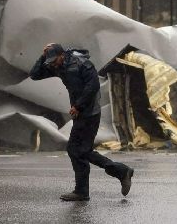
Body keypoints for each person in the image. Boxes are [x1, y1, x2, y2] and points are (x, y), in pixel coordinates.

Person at [30, 43, 134, 201]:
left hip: (90, 112)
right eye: (50, 61)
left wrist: (79, 105)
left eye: (54, 60)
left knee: (80, 150)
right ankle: (84, 190)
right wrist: (43, 56)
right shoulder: (57, 65)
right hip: (80, 113)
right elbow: (35, 75)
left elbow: (93, 86)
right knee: (76, 150)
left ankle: (119, 172)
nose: (53, 64)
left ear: (62, 55)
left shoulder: (82, 63)